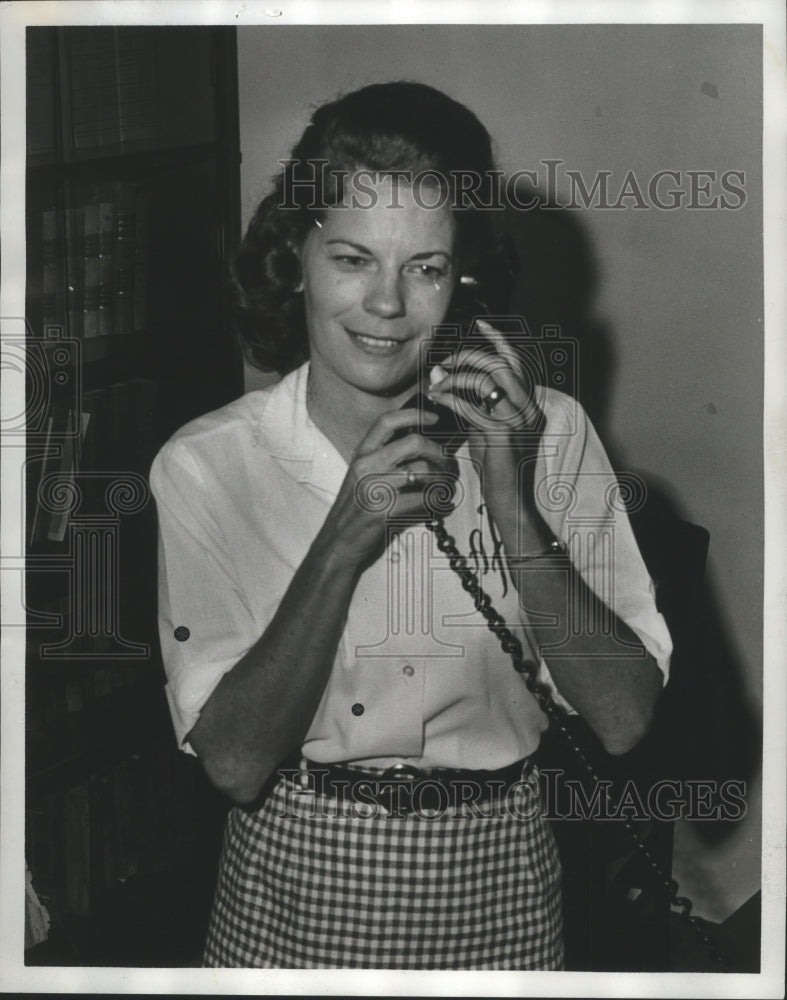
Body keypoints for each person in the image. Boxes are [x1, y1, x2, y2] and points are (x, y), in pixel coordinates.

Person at [149, 81, 672, 970]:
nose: (387, 306)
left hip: (500, 871)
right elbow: (234, 764)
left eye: (424, 268)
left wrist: (509, 499)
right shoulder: (207, 464)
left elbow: (622, 720)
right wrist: (345, 534)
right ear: (296, 256)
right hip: (293, 880)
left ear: (463, 276)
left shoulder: (551, 430)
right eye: (353, 259)